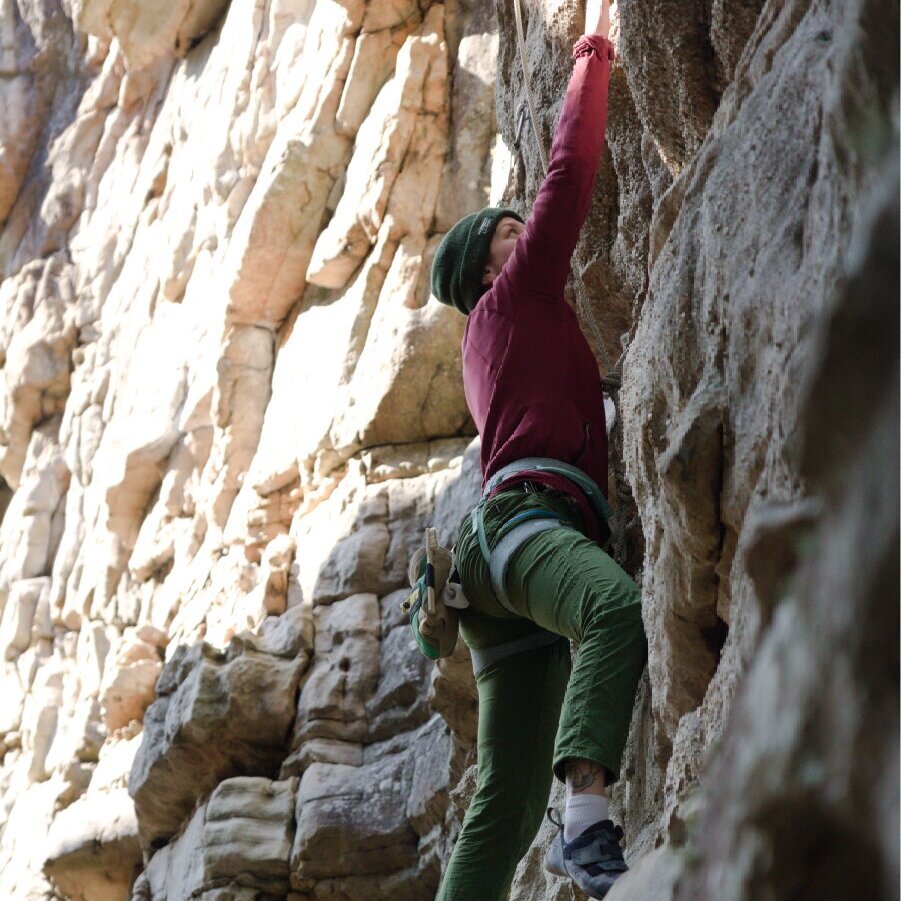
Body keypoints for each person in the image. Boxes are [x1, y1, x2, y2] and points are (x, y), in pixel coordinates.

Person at [427, 1, 647, 898]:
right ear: (488, 264)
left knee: (506, 800)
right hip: (523, 527)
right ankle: (588, 823)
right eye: (508, 233)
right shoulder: (508, 302)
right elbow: (568, 174)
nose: (526, 235)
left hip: (491, 566)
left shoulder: (495, 345)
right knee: (610, 608)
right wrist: (593, 46)